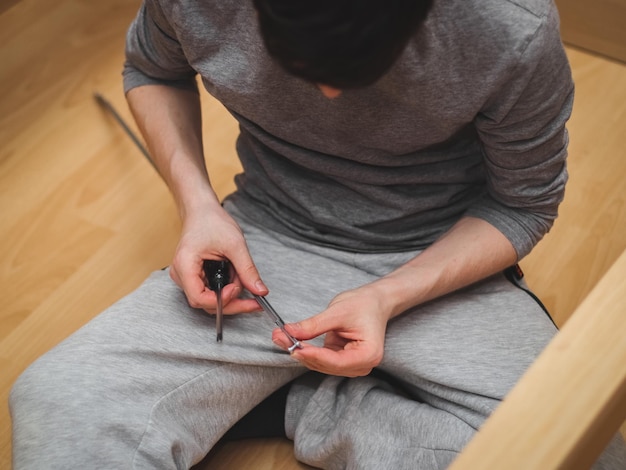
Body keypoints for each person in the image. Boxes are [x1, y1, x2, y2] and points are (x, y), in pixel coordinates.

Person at [9, 0, 626, 468]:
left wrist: (387, 296)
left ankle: (295, 401)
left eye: (363, 69)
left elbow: (523, 204)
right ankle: (285, 393)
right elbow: (151, 69)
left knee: (584, 450)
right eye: (299, 65)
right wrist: (199, 208)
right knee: (58, 403)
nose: (330, 94)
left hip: (439, 259)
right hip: (265, 238)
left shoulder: (509, 26)